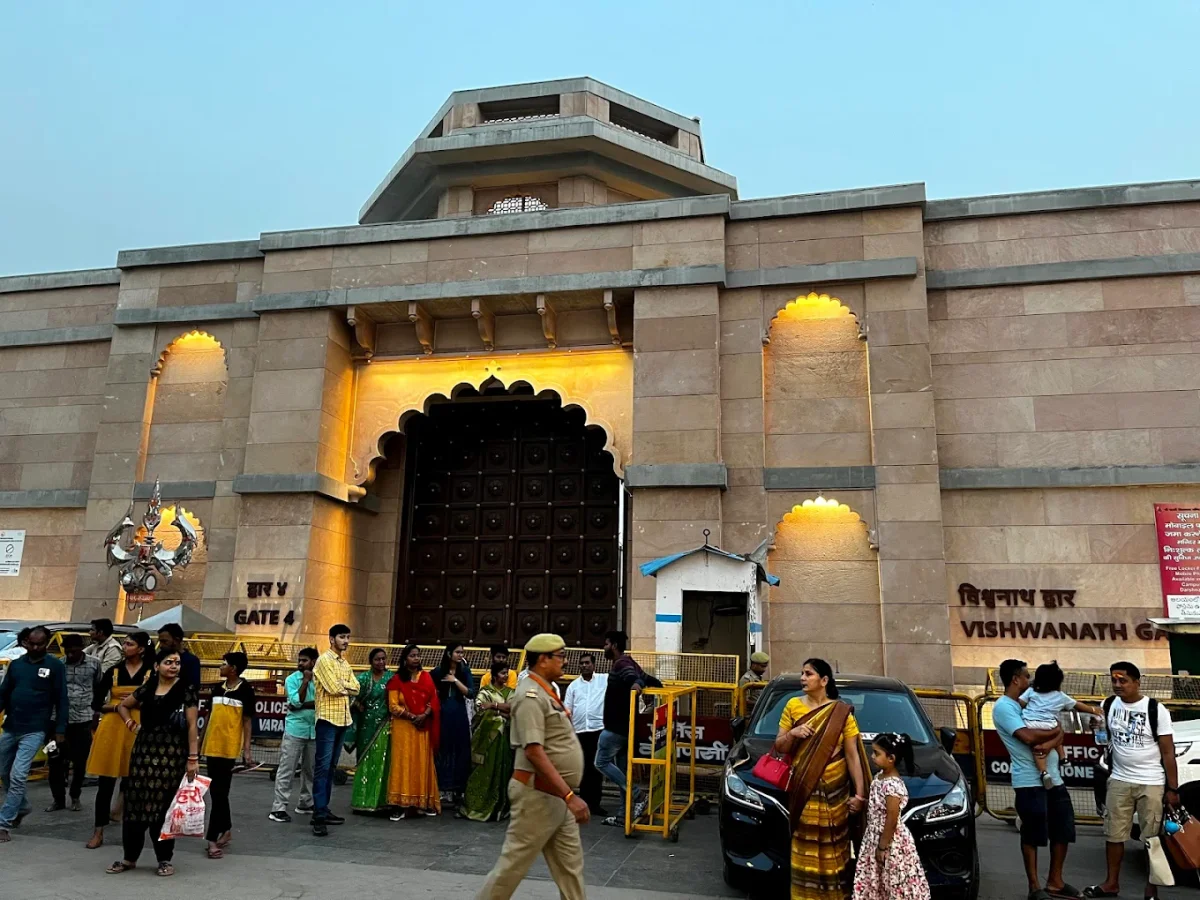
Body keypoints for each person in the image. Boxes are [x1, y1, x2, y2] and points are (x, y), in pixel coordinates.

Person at [476, 633, 589, 900]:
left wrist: (566, 796)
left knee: (570, 869)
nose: (565, 662)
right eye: (560, 656)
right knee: (512, 866)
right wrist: (570, 796)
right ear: (542, 659)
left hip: (557, 796)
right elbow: (534, 751)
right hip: (537, 794)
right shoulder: (530, 695)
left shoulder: (545, 691)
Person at [774, 658, 868, 900]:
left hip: (836, 792)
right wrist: (794, 733)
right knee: (804, 842)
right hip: (804, 789)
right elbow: (779, 746)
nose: (803, 678)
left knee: (835, 845)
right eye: (802, 673)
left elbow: (852, 756)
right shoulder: (793, 706)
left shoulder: (841, 713)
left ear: (824, 680)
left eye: (809, 674)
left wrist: (859, 795)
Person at [1083, 661, 1178, 900]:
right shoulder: (1109, 704)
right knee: (1114, 835)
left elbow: (1168, 751)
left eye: (1123, 680)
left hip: (1151, 783)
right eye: (1114, 680)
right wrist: (1095, 726)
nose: (1117, 685)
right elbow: (1102, 733)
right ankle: (1111, 884)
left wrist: (1172, 789)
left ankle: (1151, 888)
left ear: (1137, 682)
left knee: (1151, 839)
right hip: (1119, 781)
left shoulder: (1156, 710)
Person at [104, 649, 199, 877]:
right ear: (156, 666)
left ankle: (164, 859)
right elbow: (123, 706)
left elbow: (192, 724)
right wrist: (131, 725)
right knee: (135, 805)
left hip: (171, 756)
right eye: (168, 662)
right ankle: (129, 858)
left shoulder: (186, 690)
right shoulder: (148, 688)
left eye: (176, 662)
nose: (173, 666)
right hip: (143, 754)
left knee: (163, 808)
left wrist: (193, 758)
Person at [992, 659, 1078, 900]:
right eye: (1026, 676)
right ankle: (1034, 887)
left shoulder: (1036, 700)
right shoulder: (1004, 707)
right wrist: (1055, 731)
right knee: (1032, 833)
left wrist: (1054, 735)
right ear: (1015, 679)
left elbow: (1056, 729)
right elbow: (1027, 737)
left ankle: (1055, 882)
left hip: (1055, 780)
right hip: (1028, 782)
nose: (1030, 681)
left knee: (1063, 829)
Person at [86, 631, 154, 849]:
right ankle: (98, 830)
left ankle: (131, 831)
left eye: (129, 644)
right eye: (124, 643)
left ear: (141, 648)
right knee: (105, 783)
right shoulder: (113, 671)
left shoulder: (152, 672)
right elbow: (96, 703)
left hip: (139, 726)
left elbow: (158, 702)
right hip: (113, 726)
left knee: (135, 781)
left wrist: (139, 704)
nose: (124, 647)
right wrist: (117, 706)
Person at [0, 625, 67, 843]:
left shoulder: (55, 666)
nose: (34, 647)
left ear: (46, 643)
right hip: (11, 725)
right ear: (26, 641)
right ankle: (23, 806)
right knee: (4, 772)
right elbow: (4, 693)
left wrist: (59, 730)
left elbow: (62, 700)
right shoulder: (17, 665)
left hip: (35, 729)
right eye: (31, 643)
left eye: (39, 643)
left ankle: (4, 823)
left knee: (19, 775)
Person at [852, 733, 929, 900]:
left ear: (891, 758)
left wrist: (882, 846)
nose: (872, 757)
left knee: (892, 879)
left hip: (889, 842)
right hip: (874, 837)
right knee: (878, 879)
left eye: (876, 753)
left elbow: (891, 819)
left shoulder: (892, 785)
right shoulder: (880, 777)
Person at [596, 629, 660, 826]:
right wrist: (650, 684)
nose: (604, 647)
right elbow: (647, 678)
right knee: (624, 773)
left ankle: (638, 795)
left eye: (606, 644)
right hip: (627, 727)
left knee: (601, 762)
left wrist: (636, 685)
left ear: (614, 645)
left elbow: (634, 679)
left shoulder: (622, 663)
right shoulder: (628, 660)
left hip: (615, 727)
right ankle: (624, 816)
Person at [201, 651, 254, 859]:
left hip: (229, 748)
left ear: (233, 669)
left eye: (223, 664)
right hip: (211, 747)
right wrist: (198, 743)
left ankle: (212, 839)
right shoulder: (217, 689)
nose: (220, 667)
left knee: (220, 793)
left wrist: (247, 751)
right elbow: (208, 716)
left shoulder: (246, 690)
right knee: (217, 793)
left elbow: (247, 721)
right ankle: (227, 828)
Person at [1019, 661, 1102, 787]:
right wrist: (1093, 710)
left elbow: (1021, 703)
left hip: (1030, 724)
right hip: (1049, 724)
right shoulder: (1060, 696)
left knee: (1038, 749)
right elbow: (1077, 705)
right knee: (1056, 735)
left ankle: (1044, 772)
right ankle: (1062, 758)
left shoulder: (1031, 691)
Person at [310, 623, 359, 837]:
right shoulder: (324, 661)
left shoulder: (344, 663)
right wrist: (344, 685)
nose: (345, 641)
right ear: (331, 639)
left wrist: (344, 686)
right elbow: (332, 687)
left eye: (347, 637)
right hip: (327, 720)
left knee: (330, 767)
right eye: (341, 637)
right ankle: (318, 813)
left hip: (342, 719)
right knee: (322, 767)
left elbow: (356, 687)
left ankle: (324, 808)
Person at [386, 642, 441, 819]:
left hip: (422, 727)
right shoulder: (396, 680)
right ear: (404, 659)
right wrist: (412, 717)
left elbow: (433, 700)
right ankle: (399, 805)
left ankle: (422, 802)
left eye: (418, 655)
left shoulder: (426, 677)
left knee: (421, 763)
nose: (416, 659)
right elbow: (393, 706)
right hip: (403, 728)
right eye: (412, 655)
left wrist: (423, 715)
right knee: (403, 763)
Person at [47, 634, 100, 813]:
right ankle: (58, 800)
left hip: (83, 719)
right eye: (67, 651)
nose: (70, 655)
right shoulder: (58, 665)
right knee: (54, 760)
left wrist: (96, 713)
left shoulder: (94, 664)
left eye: (74, 651)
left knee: (79, 762)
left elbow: (99, 688)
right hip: (57, 720)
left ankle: (75, 796)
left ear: (81, 648)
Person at [462, 661, 517, 822]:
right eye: (502, 673)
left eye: (507, 673)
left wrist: (493, 706)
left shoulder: (511, 692)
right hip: (486, 742)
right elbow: (480, 709)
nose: (505, 676)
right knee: (482, 772)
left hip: (504, 740)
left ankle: (499, 808)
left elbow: (514, 709)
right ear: (494, 676)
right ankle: (477, 806)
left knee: (502, 772)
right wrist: (502, 710)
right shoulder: (484, 691)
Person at [269, 648, 318, 822]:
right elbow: (296, 701)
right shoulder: (292, 679)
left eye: (304, 660)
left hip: (314, 730)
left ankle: (306, 802)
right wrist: (305, 682)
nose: (300, 664)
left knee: (310, 769)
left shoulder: (320, 679)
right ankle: (278, 807)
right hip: (295, 729)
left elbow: (322, 703)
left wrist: (302, 704)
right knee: (287, 769)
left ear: (313, 661)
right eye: (299, 660)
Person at [562, 652, 608, 815]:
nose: (584, 665)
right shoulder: (574, 686)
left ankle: (595, 804)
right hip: (579, 732)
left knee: (596, 768)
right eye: (582, 663)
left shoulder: (604, 680)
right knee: (583, 768)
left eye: (587, 663)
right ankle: (583, 802)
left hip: (597, 730)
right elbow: (567, 709)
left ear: (594, 665)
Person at [431, 642, 476, 808]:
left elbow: (471, 693)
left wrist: (455, 680)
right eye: (457, 652)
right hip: (442, 715)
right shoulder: (438, 672)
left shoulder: (465, 671)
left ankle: (458, 789)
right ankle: (442, 789)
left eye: (462, 652)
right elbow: (428, 688)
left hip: (459, 715)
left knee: (460, 750)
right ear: (449, 653)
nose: (460, 655)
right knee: (443, 750)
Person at [348, 647, 392, 813]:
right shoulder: (364, 678)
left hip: (384, 726)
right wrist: (356, 704)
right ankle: (362, 801)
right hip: (366, 727)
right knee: (365, 762)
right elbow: (351, 695)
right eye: (377, 659)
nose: (381, 662)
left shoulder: (391, 678)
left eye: (383, 659)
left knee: (382, 762)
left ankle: (380, 801)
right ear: (371, 661)